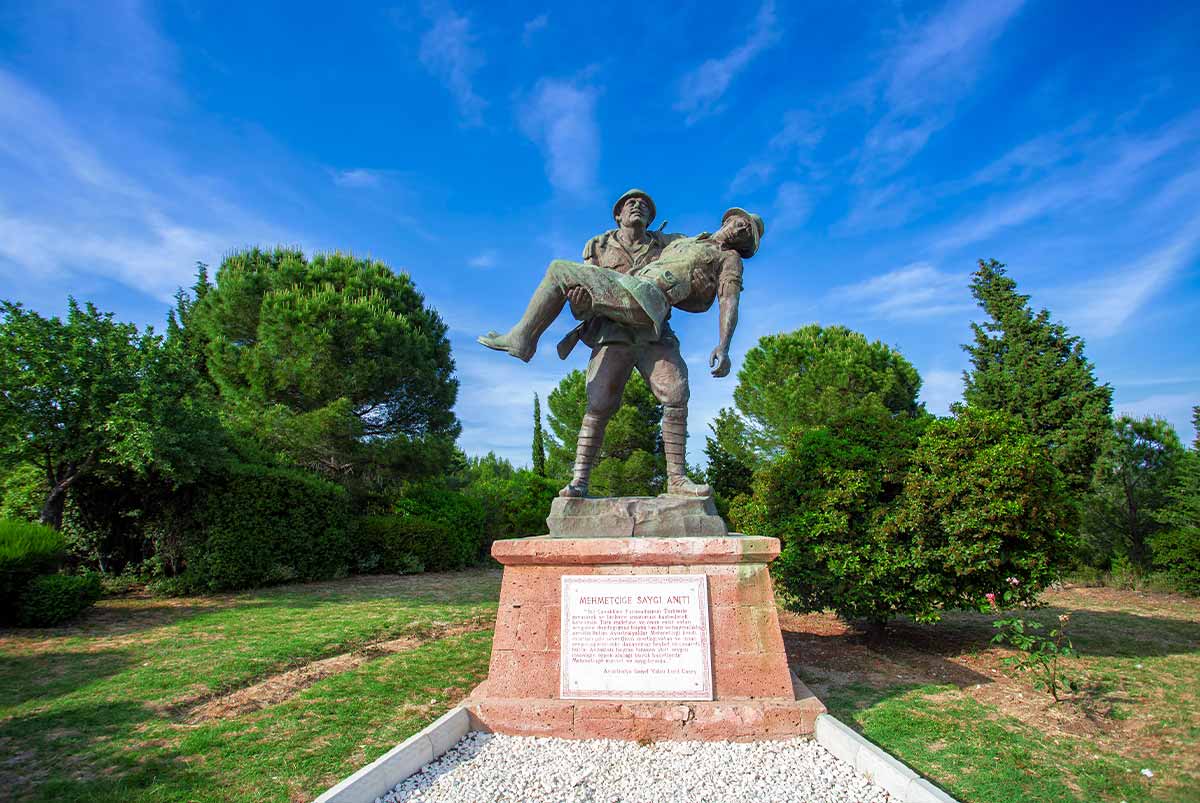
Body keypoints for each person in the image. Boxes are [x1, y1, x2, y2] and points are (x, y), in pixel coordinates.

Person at [478, 205, 764, 498]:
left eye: (746, 232)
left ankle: (677, 479)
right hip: (618, 323)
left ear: (744, 245)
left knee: (676, 393)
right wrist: (584, 303)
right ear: (727, 220)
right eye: (739, 222)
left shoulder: (728, 258)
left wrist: (722, 343)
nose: (739, 228)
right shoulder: (679, 240)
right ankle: (579, 482)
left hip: (647, 308)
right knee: (599, 403)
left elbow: (728, 300)